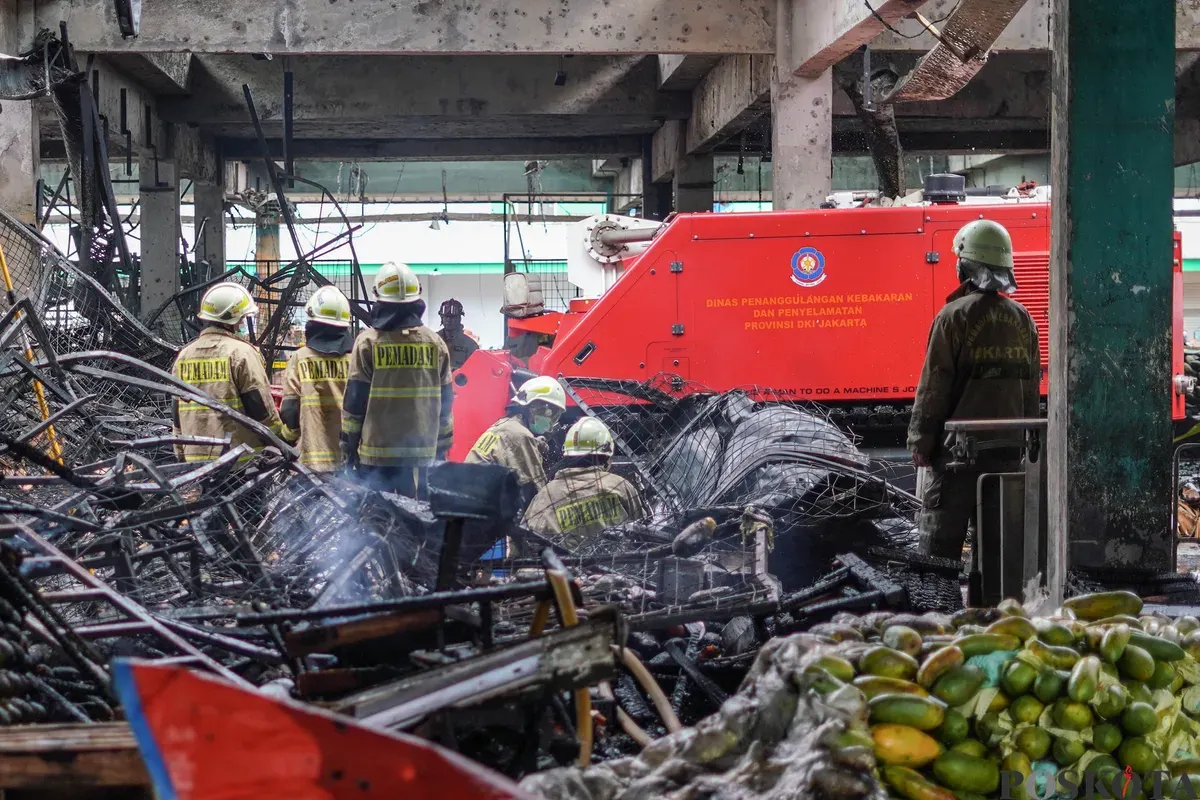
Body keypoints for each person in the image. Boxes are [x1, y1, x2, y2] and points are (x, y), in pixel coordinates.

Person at [907, 219, 1041, 560]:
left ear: (965, 266)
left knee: (939, 549)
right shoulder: (1023, 318)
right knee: (997, 551)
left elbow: (935, 387)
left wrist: (921, 442)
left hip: (959, 456)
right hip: (1008, 452)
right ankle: (995, 611)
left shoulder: (952, 317)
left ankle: (939, 607)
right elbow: (1030, 385)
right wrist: (1027, 440)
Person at [342, 262, 453, 498]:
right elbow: (446, 404)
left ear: (378, 298)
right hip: (420, 458)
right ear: (417, 299)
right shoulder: (435, 344)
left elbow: (354, 403)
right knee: (414, 519)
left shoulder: (368, 343)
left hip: (375, 457)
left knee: (376, 521)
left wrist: (349, 449)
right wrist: (442, 449)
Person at [171, 282, 282, 464]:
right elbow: (260, 409)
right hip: (238, 464)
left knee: (208, 495)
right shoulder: (241, 353)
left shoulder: (184, 356)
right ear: (234, 317)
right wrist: (280, 441)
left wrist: (180, 451)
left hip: (197, 463)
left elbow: (176, 411)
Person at [523, 417, 647, 552]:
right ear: (606, 456)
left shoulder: (545, 496)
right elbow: (643, 532)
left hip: (562, 571)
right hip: (618, 569)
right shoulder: (620, 486)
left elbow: (526, 544)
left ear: (567, 456)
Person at [279, 287, 354, 472]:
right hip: (349, 464)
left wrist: (288, 438)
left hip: (310, 462)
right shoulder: (355, 359)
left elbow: (290, 408)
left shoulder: (300, 358)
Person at [465, 376, 565, 506]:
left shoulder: (506, 425)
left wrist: (533, 444)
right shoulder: (519, 435)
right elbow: (535, 492)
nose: (551, 423)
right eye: (550, 414)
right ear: (533, 408)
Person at [436, 298, 479, 370]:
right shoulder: (433, 340)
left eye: (452, 317)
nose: (448, 320)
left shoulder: (470, 345)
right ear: (441, 317)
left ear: (459, 318)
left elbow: (476, 371)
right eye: (446, 316)